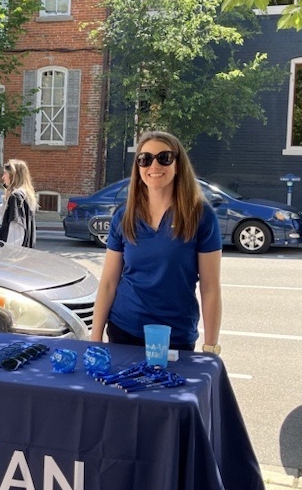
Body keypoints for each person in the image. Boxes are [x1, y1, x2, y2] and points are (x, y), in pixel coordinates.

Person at [90, 131, 223, 355]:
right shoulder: (124, 216)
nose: (154, 165)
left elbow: (210, 287)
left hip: (175, 335)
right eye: (145, 159)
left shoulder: (200, 215)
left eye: (164, 157)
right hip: (124, 329)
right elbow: (108, 283)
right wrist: (95, 337)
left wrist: (211, 348)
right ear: (138, 166)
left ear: (178, 164)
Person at [0, 159, 37, 247]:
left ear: (13, 176)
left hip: (14, 254)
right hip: (25, 251)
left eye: (5, 174)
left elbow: (15, 230)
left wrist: (10, 254)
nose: (3, 177)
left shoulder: (16, 196)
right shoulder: (26, 194)